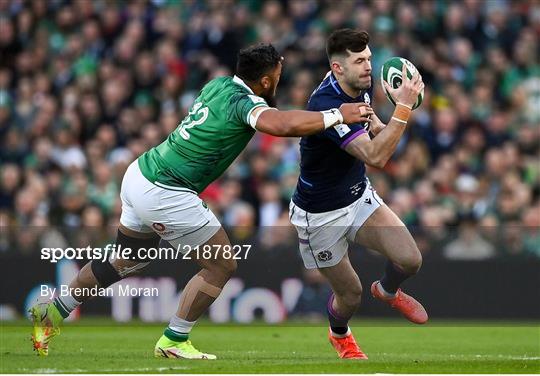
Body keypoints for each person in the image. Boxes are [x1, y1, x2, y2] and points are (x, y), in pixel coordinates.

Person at [29, 44, 373, 359]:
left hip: (140, 174)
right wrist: (337, 114)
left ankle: (53, 311)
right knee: (222, 264)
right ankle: (175, 339)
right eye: (278, 77)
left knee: (126, 260)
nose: (279, 82)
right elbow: (281, 125)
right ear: (266, 81)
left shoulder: (218, 84)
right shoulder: (246, 103)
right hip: (165, 189)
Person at [289, 29, 427, 360]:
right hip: (320, 215)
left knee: (410, 259)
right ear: (338, 68)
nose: (368, 67)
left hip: (357, 197)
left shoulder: (355, 83)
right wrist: (403, 108)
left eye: (368, 58)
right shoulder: (328, 105)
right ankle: (340, 334)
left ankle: (388, 289)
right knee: (350, 295)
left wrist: (381, 125)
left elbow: (366, 116)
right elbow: (376, 157)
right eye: (359, 61)